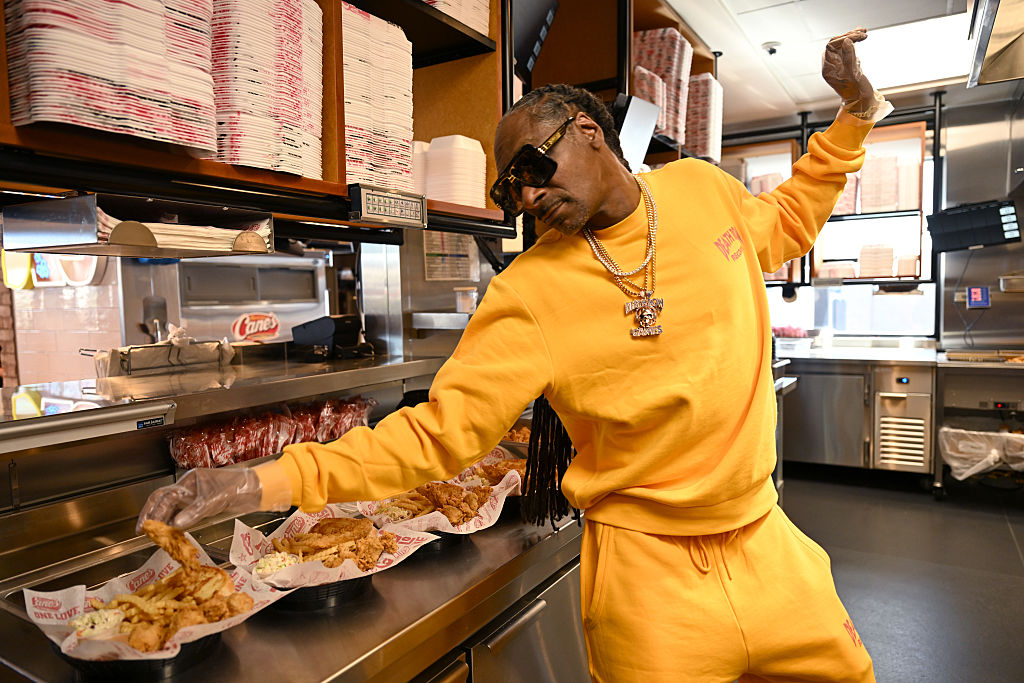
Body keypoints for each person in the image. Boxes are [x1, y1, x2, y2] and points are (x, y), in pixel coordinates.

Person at [139, 28, 888, 682]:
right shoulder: (527, 295)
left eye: (531, 167)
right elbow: (437, 436)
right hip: (649, 583)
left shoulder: (700, 191)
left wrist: (854, 112)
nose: (523, 197)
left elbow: (789, 216)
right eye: (508, 189)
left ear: (589, 131)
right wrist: (261, 482)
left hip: (769, 543)